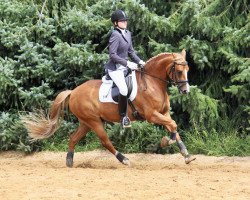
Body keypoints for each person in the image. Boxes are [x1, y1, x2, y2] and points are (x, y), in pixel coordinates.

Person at [104, 9, 145, 128]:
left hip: (125, 68)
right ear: (115, 23)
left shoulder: (127, 33)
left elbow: (131, 51)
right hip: (115, 69)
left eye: (125, 20)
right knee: (123, 89)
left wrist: (139, 61)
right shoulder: (115, 35)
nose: (125, 22)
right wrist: (127, 63)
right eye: (122, 21)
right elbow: (112, 55)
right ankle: (123, 117)